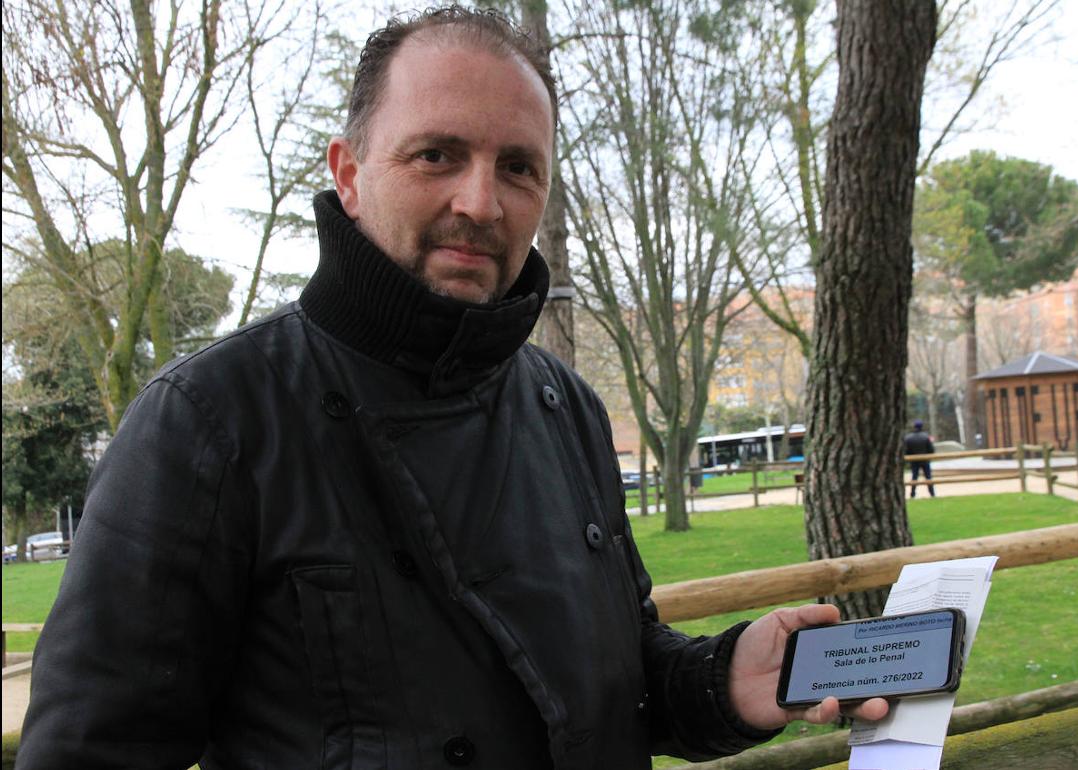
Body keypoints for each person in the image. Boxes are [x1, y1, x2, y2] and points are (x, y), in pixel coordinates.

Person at [18, 8, 886, 768]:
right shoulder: (209, 420)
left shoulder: (566, 406)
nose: (481, 201)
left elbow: (608, 689)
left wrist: (725, 679)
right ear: (349, 174)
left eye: (519, 167)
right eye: (437, 154)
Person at [904, 420, 937, 498]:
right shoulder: (926, 436)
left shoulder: (908, 438)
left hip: (914, 460)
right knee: (928, 477)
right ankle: (932, 494)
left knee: (914, 477)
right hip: (925, 460)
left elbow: (906, 451)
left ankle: (912, 494)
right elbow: (931, 450)